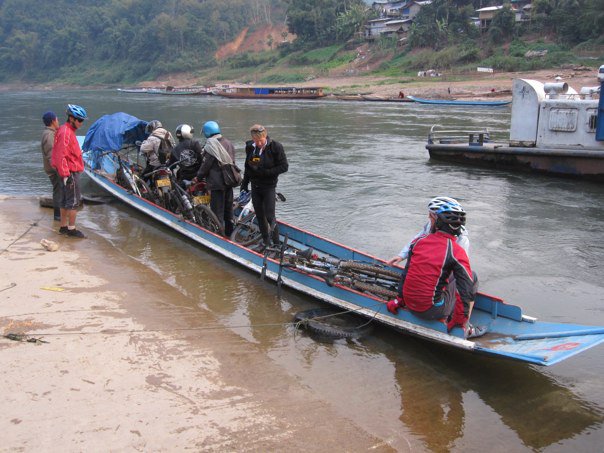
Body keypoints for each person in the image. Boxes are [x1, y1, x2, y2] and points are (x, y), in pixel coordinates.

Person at [386, 202, 486, 339]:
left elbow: (406, 273)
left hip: (409, 303)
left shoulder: (418, 241)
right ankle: (466, 327)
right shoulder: (457, 251)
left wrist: (398, 300)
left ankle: (416, 301)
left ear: (438, 223)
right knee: (472, 277)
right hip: (431, 311)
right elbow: (465, 291)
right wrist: (458, 322)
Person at [240, 124, 288, 249]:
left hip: (269, 187)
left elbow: (284, 167)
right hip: (255, 186)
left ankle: (276, 244)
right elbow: (247, 167)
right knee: (260, 215)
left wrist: (266, 172)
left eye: (261, 140)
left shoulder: (275, 147)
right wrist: (244, 184)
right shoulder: (250, 147)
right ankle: (266, 242)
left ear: (265, 136)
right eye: (256, 141)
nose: (259, 143)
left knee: (270, 216)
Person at [387, 196, 469, 267]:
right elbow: (417, 239)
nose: (428, 217)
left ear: (439, 218)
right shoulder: (430, 226)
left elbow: (460, 265)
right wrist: (401, 256)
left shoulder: (461, 239)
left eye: (430, 215)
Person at [51, 104, 88, 238]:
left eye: (82, 120)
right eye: (79, 120)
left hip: (66, 171)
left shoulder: (65, 130)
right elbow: (61, 155)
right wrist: (66, 175)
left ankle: (63, 227)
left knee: (64, 200)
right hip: (70, 172)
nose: (81, 123)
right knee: (73, 202)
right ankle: (71, 229)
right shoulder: (66, 132)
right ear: (71, 118)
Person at [195, 121, 237, 236]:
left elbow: (206, 165)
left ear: (207, 132)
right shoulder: (229, 143)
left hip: (216, 184)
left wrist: (198, 177)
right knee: (228, 210)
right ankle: (230, 233)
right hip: (229, 181)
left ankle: (219, 235)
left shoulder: (211, 145)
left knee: (217, 211)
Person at [40, 111, 61, 220]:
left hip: (52, 168)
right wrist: (59, 169)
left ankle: (59, 214)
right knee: (58, 191)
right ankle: (58, 215)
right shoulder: (49, 135)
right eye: (57, 119)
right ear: (53, 121)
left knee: (59, 190)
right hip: (54, 169)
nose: (58, 121)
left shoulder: (49, 133)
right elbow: (51, 155)